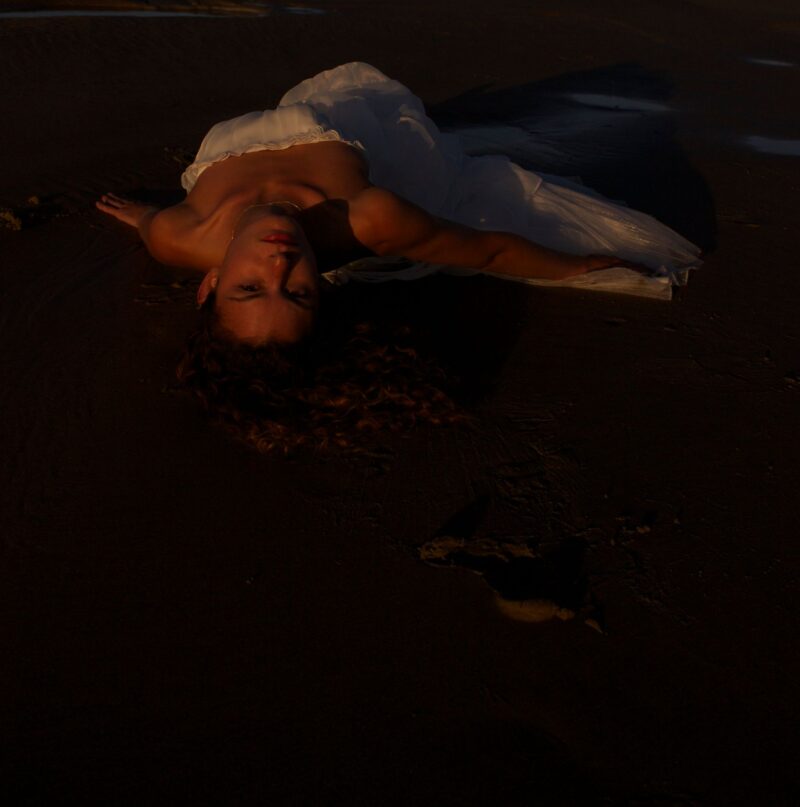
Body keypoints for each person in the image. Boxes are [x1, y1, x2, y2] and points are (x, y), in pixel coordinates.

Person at [97, 63, 700, 453]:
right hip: (361, 125)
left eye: (249, 288)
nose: (278, 265)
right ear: (322, 288)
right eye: (299, 292)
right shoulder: (371, 218)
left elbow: (150, 221)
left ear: (209, 283)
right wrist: (572, 266)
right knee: (427, 159)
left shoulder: (177, 235)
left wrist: (140, 213)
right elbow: (488, 247)